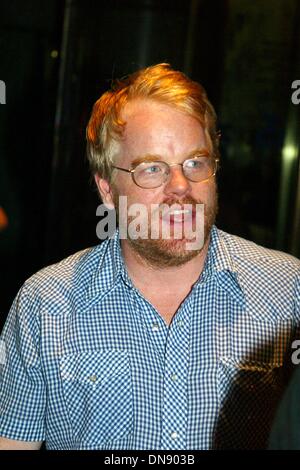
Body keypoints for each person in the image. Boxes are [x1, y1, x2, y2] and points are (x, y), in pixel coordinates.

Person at [0, 63, 299, 450]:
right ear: (107, 190)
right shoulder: (44, 305)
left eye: (195, 162)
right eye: (152, 168)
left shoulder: (287, 290)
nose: (180, 186)